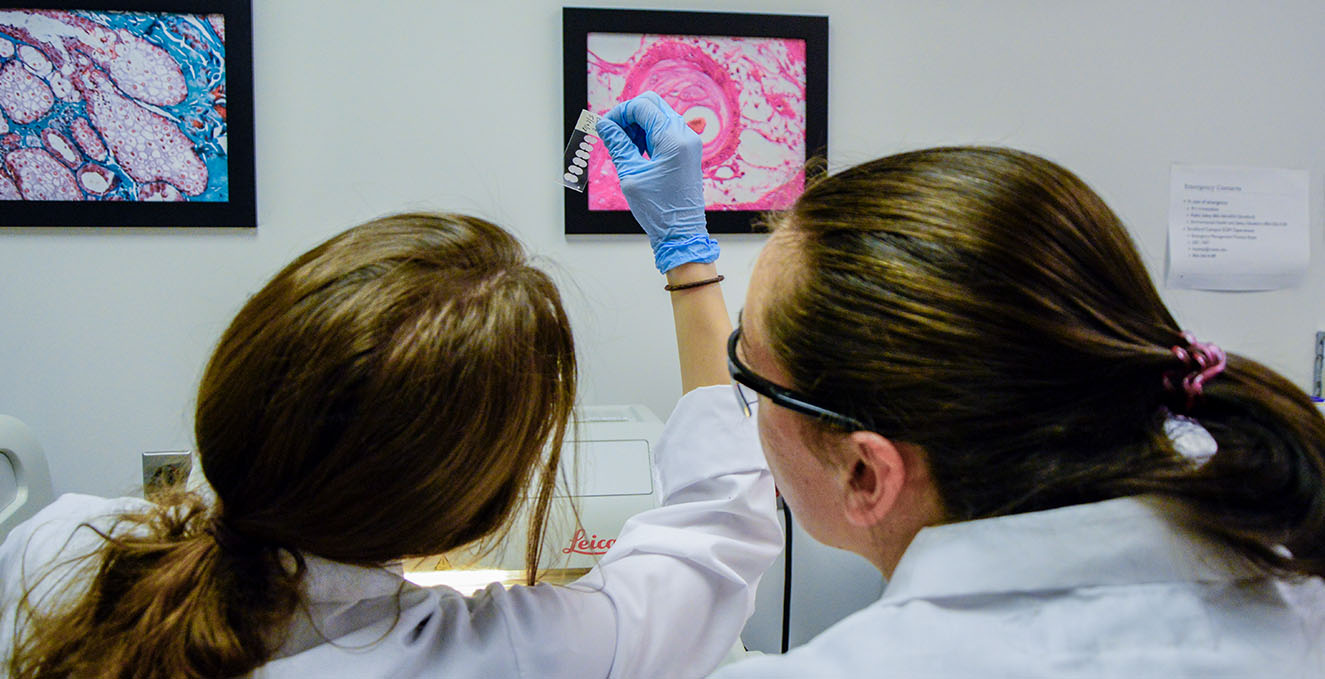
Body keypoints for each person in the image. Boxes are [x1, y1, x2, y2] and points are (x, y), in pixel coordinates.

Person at [595, 96, 1325, 677]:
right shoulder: (1290, 585)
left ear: (864, 471)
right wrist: (687, 261)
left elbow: (701, 548)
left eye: (751, 379)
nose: (743, 406)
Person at [0, 212, 781, 677]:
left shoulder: (58, 546)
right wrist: (687, 258)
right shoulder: (499, 656)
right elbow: (717, 536)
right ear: (466, 505)